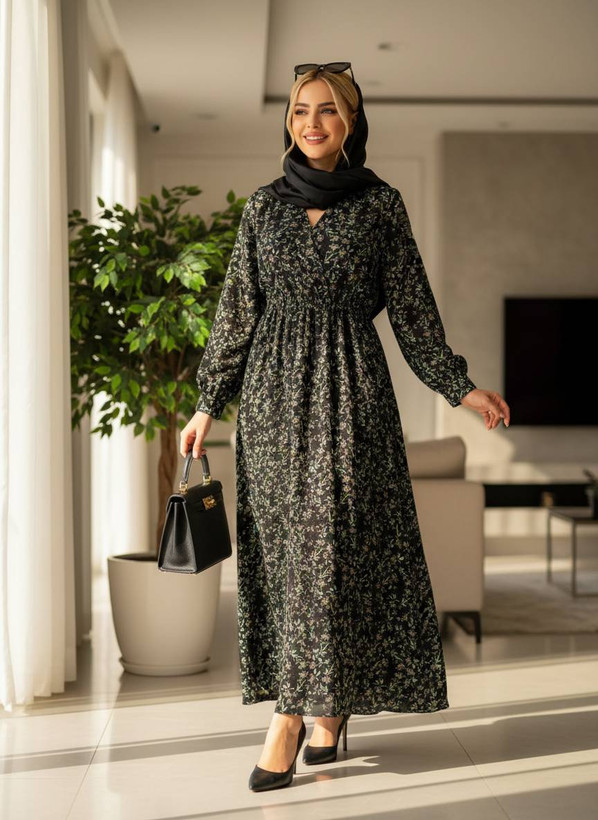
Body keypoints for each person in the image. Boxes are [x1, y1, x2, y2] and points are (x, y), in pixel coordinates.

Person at [180, 62, 510, 793]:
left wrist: (459, 387)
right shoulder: (263, 209)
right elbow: (237, 312)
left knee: (333, 551)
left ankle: (293, 718)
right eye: (301, 110)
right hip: (270, 404)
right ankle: (321, 707)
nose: (312, 122)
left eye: (328, 109)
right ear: (289, 121)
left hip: (351, 396)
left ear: (351, 121)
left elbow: (413, 310)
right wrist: (208, 403)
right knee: (289, 561)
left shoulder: (380, 206)